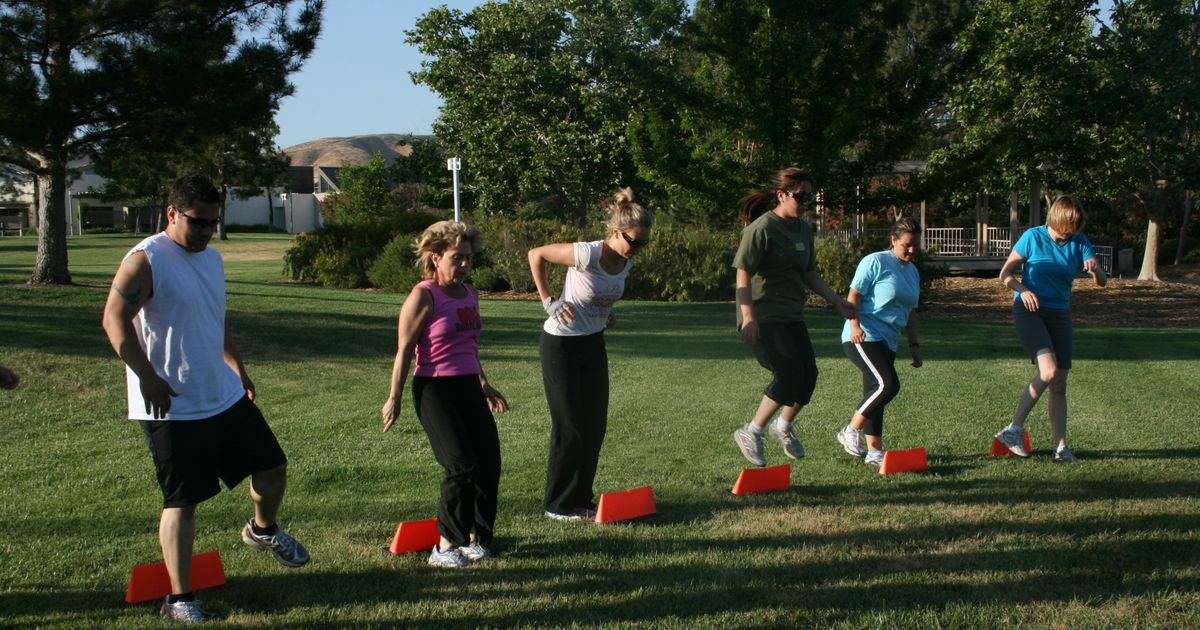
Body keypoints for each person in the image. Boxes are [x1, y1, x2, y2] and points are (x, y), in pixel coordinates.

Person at [102, 175, 308, 624]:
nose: (205, 232)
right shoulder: (146, 261)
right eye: (198, 222)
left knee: (272, 467)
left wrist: (238, 367)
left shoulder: (211, 259)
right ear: (172, 212)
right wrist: (147, 377)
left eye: (214, 223)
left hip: (222, 392)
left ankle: (262, 530)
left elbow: (216, 318)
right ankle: (180, 598)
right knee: (183, 501)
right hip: (171, 403)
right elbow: (113, 321)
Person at [381, 220, 508, 568]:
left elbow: (470, 347)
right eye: (457, 258)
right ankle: (444, 546)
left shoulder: (470, 293)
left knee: (488, 463)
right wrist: (394, 398)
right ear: (436, 258)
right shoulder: (424, 294)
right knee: (461, 465)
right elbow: (404, 350)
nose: (465, 265)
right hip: (435, 388)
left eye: (468, 258)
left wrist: (484, 385)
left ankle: (476, 538)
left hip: (468, 384)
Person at [527, 188, 652, 521]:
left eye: (644, 243)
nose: (638, 249)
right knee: (570, 425)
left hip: (593, 343)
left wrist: (605, 312)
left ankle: (581, 499)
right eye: (634, 241)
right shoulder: (588, 254)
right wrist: (549, 301)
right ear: (615, 233)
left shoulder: (629, 258)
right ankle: (557, 504)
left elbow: (600, 294)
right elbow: (535, 254)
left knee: (594, 425)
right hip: (561, 345)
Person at [732, 167, 857, 467]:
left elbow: (810, 273)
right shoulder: (762, 229)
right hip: (763, 316)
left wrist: (837, 301)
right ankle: (751, 431)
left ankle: (783, 426)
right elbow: (743, 273)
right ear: (781, 195)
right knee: (788, 375)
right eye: (799, 196)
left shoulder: (803, 229)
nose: (805, 202)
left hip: (791, 315)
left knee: (808, 376)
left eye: (809, 198)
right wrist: (748, 315)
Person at [994, 196, 1106, 463]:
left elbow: (1102, 282)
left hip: (1060, 314)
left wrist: (1096, 270)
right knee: (1049, 370)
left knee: (1059, 383)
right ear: (1059, 219)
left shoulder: (1079, 241)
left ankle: (1061, 447)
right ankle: (1013, 430)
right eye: (1071, 224)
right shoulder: (1032, 237)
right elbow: (1005, 274)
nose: (1074, 230)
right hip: (1029, 310)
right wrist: (1022, 289)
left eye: (1078, 225)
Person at [835, 218, 924, 466]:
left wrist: (914, 346)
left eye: (916, 244)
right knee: (888, 385)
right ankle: (850, 431)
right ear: (893, 240)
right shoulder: (875, 261)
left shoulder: (913, 271)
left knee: (874, 393)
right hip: (864, 334)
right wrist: (854, 326)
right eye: (907, 244)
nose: (912, 250)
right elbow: (854, 295)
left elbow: (911, 312)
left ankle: (874, 453)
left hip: (889, 339)